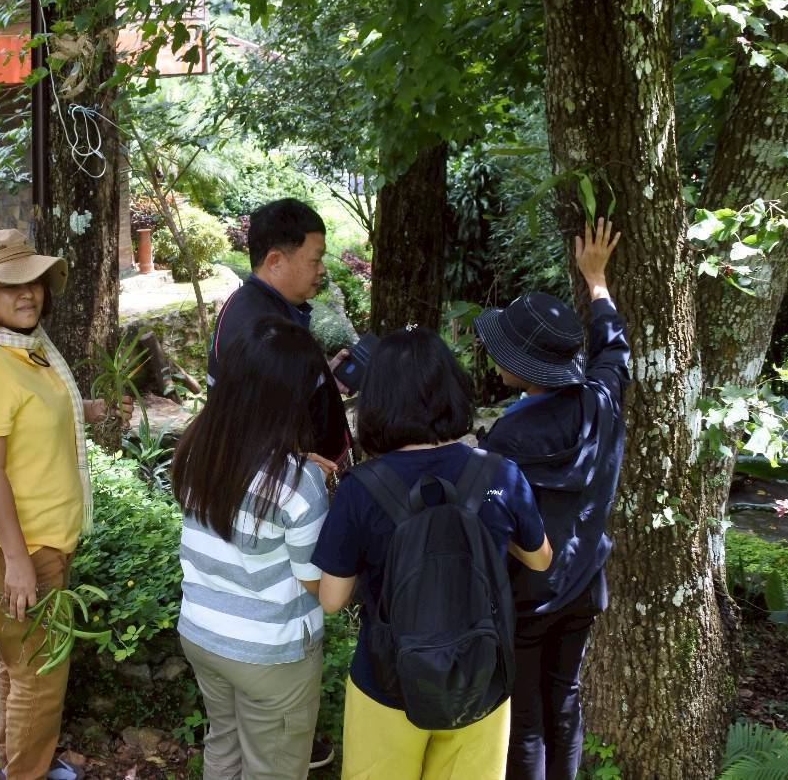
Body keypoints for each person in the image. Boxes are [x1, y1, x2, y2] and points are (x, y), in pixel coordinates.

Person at [311, 328, 553, 780]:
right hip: (480, 679)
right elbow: (541, 559)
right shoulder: (500, 473)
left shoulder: (361, 489)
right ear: (453, 390)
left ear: (378, 400)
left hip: (387, 681)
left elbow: (332, 599)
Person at [0, 228, 129, 780]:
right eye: (9, 285)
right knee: (40, 674)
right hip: (17, 549)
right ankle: (26, 772)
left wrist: (89, 410)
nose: (27, 292)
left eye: (33, 280)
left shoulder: (27, 349)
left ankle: (17, 762)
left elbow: (34, 418)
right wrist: (19, 562)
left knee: (21, 665)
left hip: (45, 541)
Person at [472, 218, 629, 780]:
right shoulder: (602, 401)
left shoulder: (510, 437)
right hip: (584, 585)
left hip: (529, 597)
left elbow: (497, 524)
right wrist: (597, 281)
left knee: (526, 721)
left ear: (523, 365)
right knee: (566, 698)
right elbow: (614, 348)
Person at [173, 315, 331, 780]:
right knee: (273, 768)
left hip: (202, 632)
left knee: (224, 746)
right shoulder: (299, 483)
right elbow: (314, 582)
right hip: (269, 653)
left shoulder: (196, 450)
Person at [208, 198, 353, 483]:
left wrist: (323, 380)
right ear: (275, 261)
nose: (322, 269)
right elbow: (244, 428)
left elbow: (278, 391)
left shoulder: (269, 308)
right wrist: (293, 465)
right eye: (315, 259)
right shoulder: (259, 330)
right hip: (293, 487)